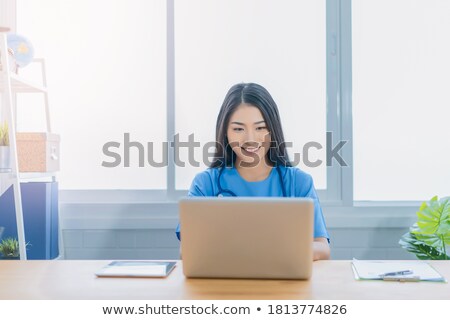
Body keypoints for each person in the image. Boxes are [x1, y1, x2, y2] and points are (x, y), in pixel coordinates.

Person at [176, 83, 330, 261]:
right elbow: (186, 249)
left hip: (283, 285)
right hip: (221, 286)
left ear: (273, 130)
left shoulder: (299, 182)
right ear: (225, 132)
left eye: (260, 128)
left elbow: (322, 247)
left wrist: (269, 250)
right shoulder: (205, 184)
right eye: (238, 129)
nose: (250, 139)